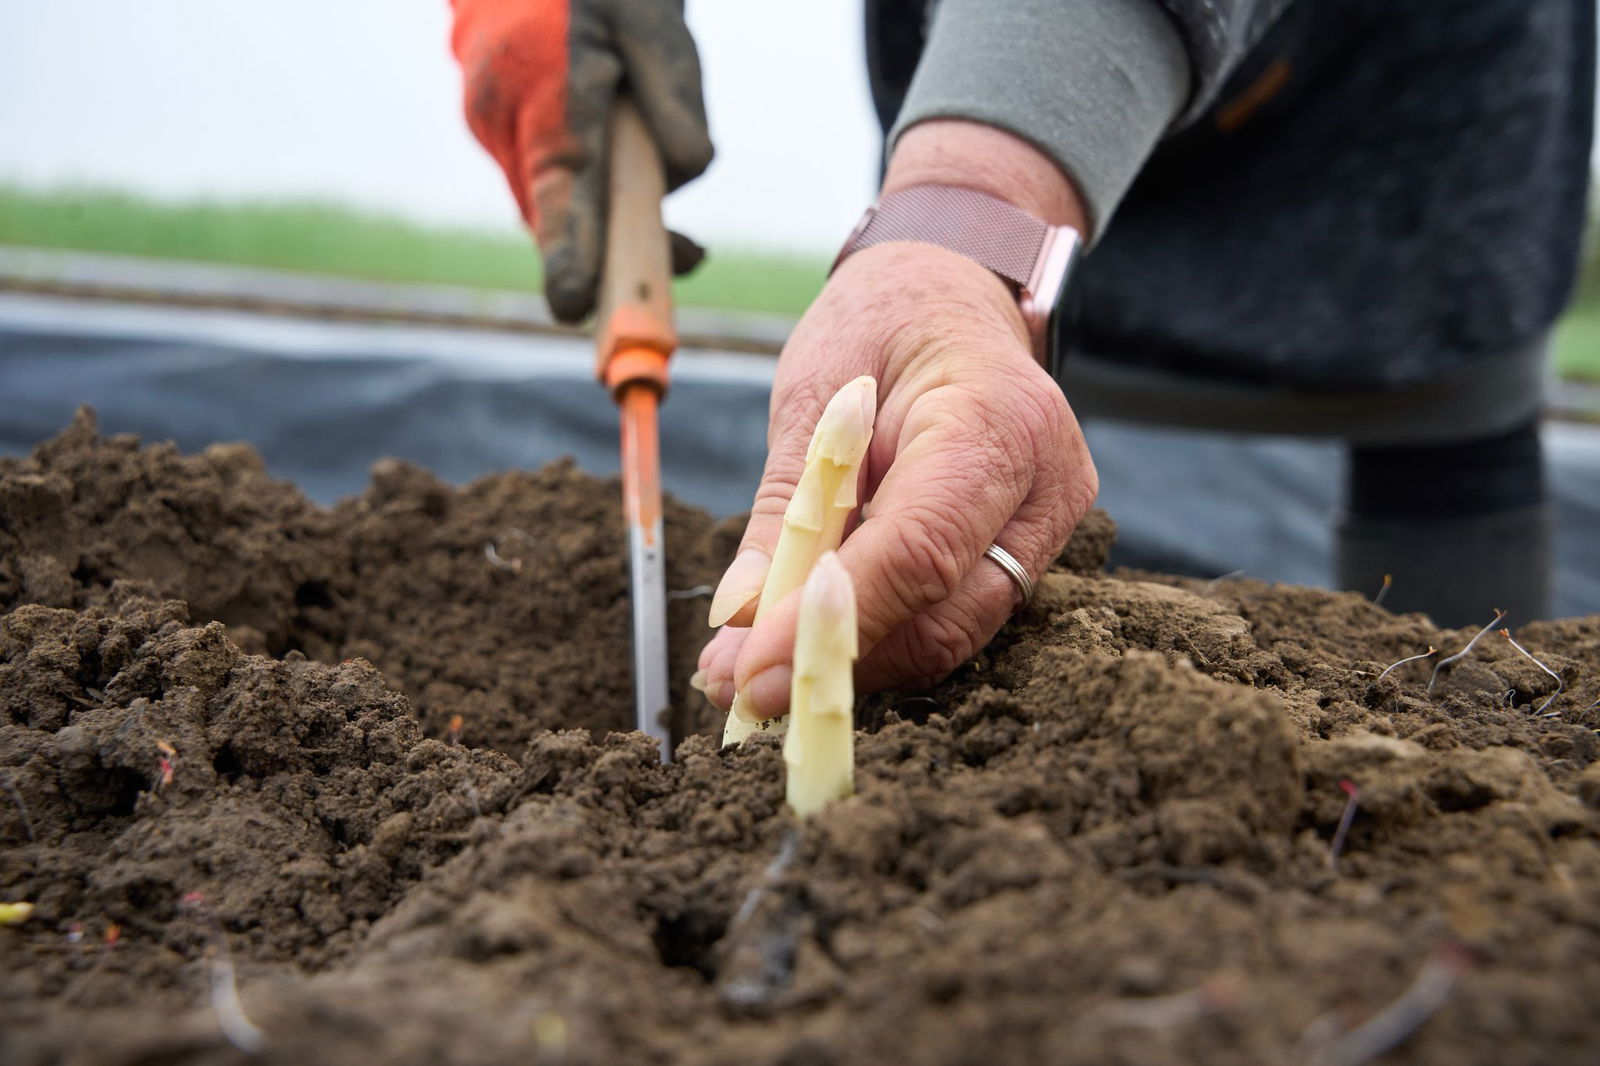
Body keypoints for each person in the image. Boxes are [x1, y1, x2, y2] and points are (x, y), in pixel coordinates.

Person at [450, 0, 1596, 723]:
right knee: (959, 426)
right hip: (994, 57)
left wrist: (967, 211)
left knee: (1452, 564)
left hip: (1395, 113)